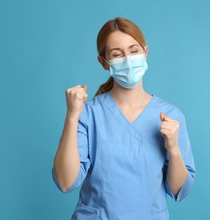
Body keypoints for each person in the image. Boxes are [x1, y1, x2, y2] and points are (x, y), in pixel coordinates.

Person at [52, 17, 196, 219]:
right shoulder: (88, 114)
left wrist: (173, 149)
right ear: (104, 62)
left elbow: (179, 190)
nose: (128, 60)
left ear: (146, 52)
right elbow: (65, 182)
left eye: (134, 50)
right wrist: (71, 116)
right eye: (117, 54)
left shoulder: (171, 116)